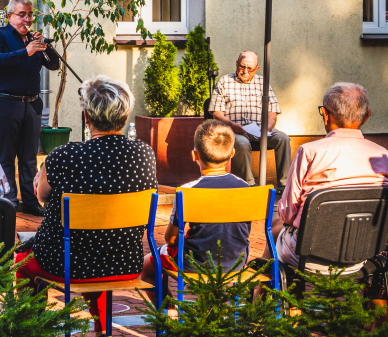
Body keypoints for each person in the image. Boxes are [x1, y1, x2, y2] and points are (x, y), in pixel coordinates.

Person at [16, 75, 157, 333]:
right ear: (125, 118)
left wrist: (41, 180)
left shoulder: (63, 155)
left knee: (23, 261)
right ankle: (102, 331)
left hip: (64, 263)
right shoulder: (144, 153)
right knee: (100, 243)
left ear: (86, 118)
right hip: (124, 262)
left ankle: (31, 332)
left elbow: (42, 197)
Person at [264, 82, 388, 273]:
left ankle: (260, 296)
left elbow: (288, 214)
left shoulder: (309, 152)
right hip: (363, 257)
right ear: (366, 116)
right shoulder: (383, 155)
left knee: (274, 229)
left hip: (309, 257)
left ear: (324, 113)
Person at [140, 119, 250, 303]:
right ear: (232, 153)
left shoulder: (187, 191)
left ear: (194, 155)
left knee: (147, 266)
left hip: (196, 262)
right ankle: (211, 309)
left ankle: (169, 313)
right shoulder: (246, 187)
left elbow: (171, 239)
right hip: (236, 261)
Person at [0, 0, 59, 216]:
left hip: (32, 105)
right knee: (6, 155)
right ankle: (9, 201)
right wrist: (25, 52)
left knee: (29, 157)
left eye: (30, 14)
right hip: (6, 103)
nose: (27, 19)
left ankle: (30, 201)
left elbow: (53, 64)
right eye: (22, 14)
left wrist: (45, 45)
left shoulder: (34, 40)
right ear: (10, 16)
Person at [209, 50, 291, 187]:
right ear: (236, 64)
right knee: (241, 143)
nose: (245, 71)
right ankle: (250, 184)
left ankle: (284, 184)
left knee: (283, 139)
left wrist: (267, 128)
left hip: (260, 128)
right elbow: (216, 113)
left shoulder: (263, 83)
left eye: (249, 68)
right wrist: (232, 125)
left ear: (256, 69)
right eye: (242, 66)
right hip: (235, 129)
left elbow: (272, 112)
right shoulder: (224, 81)